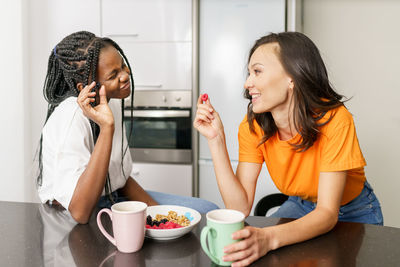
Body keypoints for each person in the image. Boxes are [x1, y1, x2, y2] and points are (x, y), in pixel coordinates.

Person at [194, 32, 383, 266]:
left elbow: (326, 213)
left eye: (258, 71)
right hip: (301, 204)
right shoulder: (254, 126)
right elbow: (239, 207)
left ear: (292, 77)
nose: (247, 83)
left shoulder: (335, 119)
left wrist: (268, 238)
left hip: (354, 210)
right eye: (249, 73)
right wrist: (216, 140)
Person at [36, 31, 218, 224]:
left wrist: (162, 214)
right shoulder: (71, 117)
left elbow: (118, 179)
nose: (126, 75)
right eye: (113, 75)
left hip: (111, 198)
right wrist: (106, 128)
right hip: (70, 215)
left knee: (207, 211)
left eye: (122, 65)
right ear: (85, 87)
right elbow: (80, 212)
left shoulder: (110, 102)